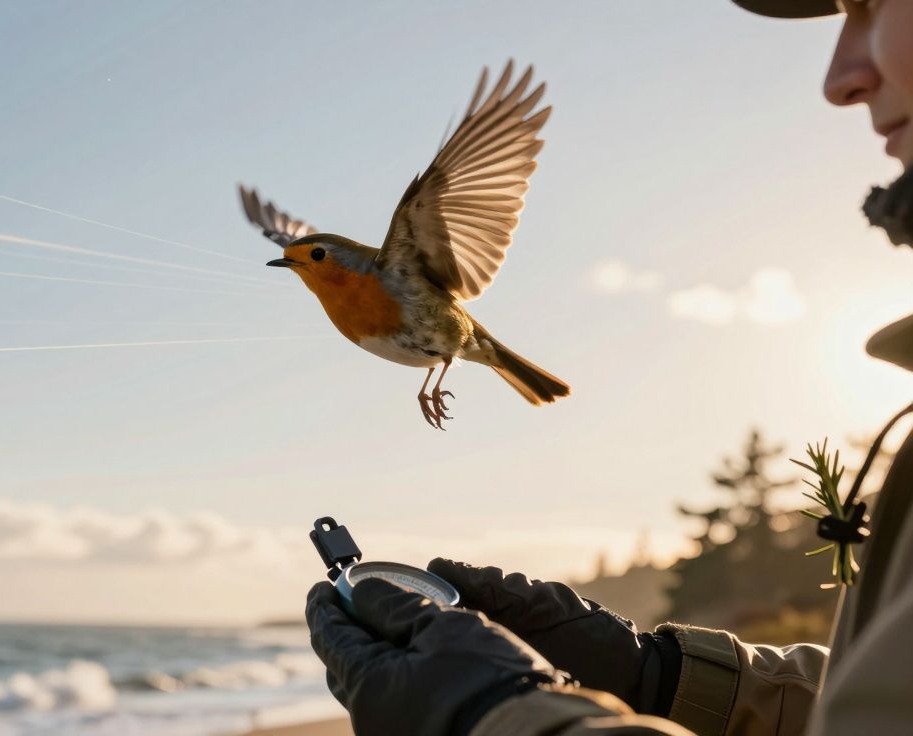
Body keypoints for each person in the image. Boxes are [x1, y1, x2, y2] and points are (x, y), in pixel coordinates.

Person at [304, 1, 913, 734]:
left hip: (453, 335)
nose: (838, 77)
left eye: (872, 3)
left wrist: (503, 717)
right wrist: (657, 677)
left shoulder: (398, 253)